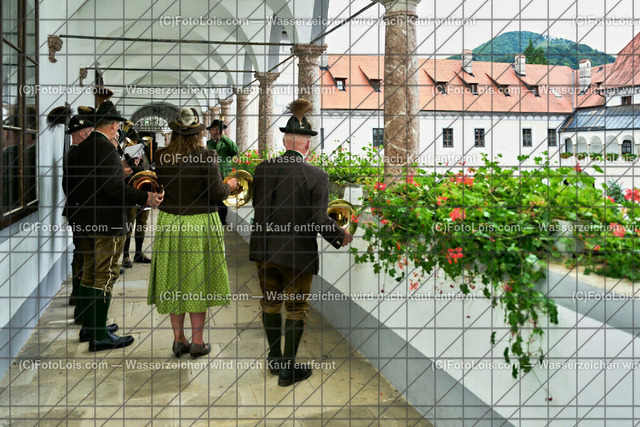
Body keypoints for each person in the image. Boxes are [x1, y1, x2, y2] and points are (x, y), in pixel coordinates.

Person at [249, 98, 353, 387]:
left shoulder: (262, 169)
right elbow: (318, 220)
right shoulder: (317, 175)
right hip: (296, 255)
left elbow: (259, 206)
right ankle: (287, 370)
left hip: (263, 250)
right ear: (307, 145)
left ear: (285, 141)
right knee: (296, 308)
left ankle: (274, 359)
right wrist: (341, 235)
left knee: (270, 303)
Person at [64, 101, 164, 351]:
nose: (118, 130)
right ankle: (99, 335)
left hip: (86, 221)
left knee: (90, 272)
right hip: (106, 223)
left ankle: (91, 326)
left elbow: (86, 183)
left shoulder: (83, 147)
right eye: (117, 126)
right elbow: (112, 189)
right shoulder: (105, 148)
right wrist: (145, 197)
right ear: (112, 125)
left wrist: (120, 171)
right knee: (105, 274)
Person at [148, 107, 238, 359]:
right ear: (198, 133)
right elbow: (217, 193)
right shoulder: (206, 156)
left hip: (170, 222)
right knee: (198, 282)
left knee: (174, 281)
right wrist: (229, 186)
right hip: (200, 224)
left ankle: (179, 340)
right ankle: (197, 342)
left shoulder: (162, 156)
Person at [206, 119, 238, 225]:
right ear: (210, 131)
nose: (215, 132)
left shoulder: (226, 144)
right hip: (211, 177)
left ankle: (222, 223)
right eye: (213, 129)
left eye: (218, 129)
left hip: (224, 177)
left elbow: (235, 150)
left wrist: (222, 136)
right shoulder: (208, 144)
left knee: (223, 202)